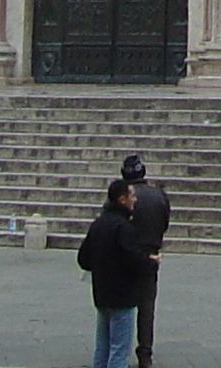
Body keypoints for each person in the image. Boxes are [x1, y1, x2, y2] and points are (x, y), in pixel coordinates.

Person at [77, 177, 155, 368]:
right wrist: (151, 263)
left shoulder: (99, 224)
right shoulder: (123, 227)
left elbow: (83, 259)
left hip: (102, 294)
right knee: (119, 350)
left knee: (102, 348)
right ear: (122, 199)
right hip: (122, 297)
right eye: (132, 196)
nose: (135, 200)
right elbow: (133, 259)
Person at [122, 155, 171, 368]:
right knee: (147, 307)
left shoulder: (122, 197)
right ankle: (145, 354)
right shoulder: (159, 196)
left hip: (125, 256)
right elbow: (164, 222)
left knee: (119, 306)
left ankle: (118, 351)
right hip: (150, 254)